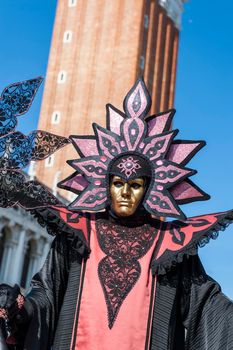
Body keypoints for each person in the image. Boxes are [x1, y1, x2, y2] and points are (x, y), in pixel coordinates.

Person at [0, 77, 233, 350]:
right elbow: (46, 297)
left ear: (149, 189)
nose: (125, 192)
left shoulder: (171, 247)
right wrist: (19, 309)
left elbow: (209, 309)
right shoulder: (78, 234)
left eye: (134, 185)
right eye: (118, 183)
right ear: (105, 184)